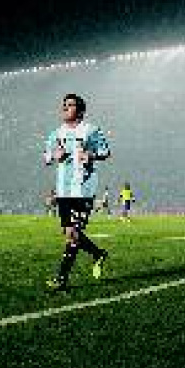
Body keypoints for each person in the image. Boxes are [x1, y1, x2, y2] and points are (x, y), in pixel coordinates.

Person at [43, 93, 111, 291]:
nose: (65, 108)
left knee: (72, 234)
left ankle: (61, 278)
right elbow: (46, 156)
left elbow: (106, 151)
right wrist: (54, 155)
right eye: (64, 105)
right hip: (63, 191)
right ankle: (98, 253)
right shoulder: (56, 133)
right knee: (69, 232)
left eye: (70, 105)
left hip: (83, 189)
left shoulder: (91, 130)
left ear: (80, 111)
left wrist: (91, 155)